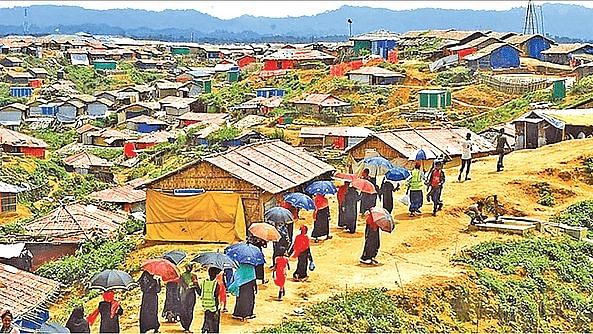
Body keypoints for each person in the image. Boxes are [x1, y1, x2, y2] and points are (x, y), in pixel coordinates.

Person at [179, 264, 200, 333]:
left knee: (188, 311)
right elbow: (182, 285)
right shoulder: (184, 276)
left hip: (187, 295)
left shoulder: (192, 276)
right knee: (186, 311)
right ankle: (186, 326)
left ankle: (186, 327)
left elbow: (197, 287)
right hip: (187, 295)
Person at [201, 267, 221, 333]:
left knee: (207, 319)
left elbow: (201, 292)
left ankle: (205, 329)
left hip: (205, 305)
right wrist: (217, 307)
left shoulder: (204, 282)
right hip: (213, 305)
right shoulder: (216, 284)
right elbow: (216, 296)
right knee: (214, 323)